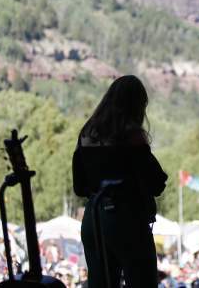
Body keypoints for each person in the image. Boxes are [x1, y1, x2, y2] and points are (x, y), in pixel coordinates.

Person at [72, 75, 167, 288]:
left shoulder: (86, 134)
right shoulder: (132, 136)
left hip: (93, 219)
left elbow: (79, 186)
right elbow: (156, 183)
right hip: (127, 220)